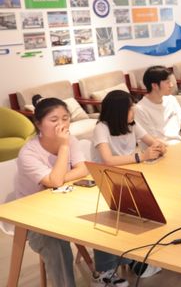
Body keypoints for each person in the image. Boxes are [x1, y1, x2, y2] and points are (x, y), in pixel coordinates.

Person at [91, 90, 165, 286]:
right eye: (130, 107)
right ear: (118, 111)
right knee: (112, 215)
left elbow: (151, 141)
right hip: (106, 181)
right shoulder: (101, 128)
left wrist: (159, 146)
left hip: (128, 179)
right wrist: (141, 156)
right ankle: (107, 270)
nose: (134, 110)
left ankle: (135, 256)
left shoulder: (131, 125)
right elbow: (107, 160)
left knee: (155, 202)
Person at [15, 95, 89, 287]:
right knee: (56, 242)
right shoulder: (29, 153)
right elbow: (56, 181)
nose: (61, 124)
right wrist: (63, 146)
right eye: (54, 120)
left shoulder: (70, 140)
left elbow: (82, 169)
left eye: (65, 118)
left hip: (66, 204)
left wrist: (57, 179)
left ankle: (107, 271)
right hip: (32, 217)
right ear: (39, 124)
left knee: (105, 215)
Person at [135, 66, 181, 146]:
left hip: (177, 145)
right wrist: (175, 148)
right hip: (158, 150)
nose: (171, 85)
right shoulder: (140, 109)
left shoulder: (171, 99)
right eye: (167, 82)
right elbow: (152, 139)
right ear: (154, 85)